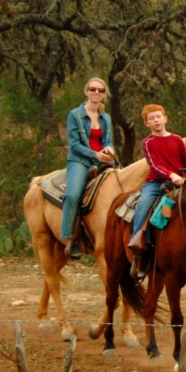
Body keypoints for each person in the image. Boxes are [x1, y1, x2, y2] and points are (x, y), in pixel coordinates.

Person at [128, 104, 186, 274]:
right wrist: (171, 175)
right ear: (147, 123)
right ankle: (139, 246)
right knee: (144, 205)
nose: (156, 120)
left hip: (181, 181)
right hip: (156, 183)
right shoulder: (148, 142)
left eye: (158, 117)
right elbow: (154, 165)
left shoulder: (176, 139)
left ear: (165, 118)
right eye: (151, 118)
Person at [61, 77, 117, 258]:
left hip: (101, 161)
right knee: (72, 195)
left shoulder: (106, 118)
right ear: (86, 91)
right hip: (80, 160)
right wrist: (94, 154)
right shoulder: (75, 115)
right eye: (93, 89)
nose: (96, 92)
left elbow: (107, 140)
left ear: (104, 95)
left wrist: (109, 149)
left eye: (101, 90)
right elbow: (74, 144)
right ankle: (69, 237)